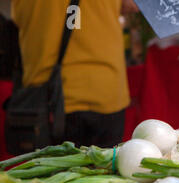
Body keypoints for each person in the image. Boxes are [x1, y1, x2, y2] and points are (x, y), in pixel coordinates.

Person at [11, 0, 139, 148]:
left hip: (49, 98)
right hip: (106, 91)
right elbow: (132, 5)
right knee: (105, 169)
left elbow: (19, 19)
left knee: (50, 169)